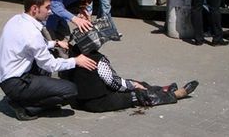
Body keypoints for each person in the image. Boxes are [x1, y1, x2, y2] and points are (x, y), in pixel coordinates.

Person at [0, 0, 97, 120]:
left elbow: (31, 46)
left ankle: (27, 97)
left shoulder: (17, 19)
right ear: (34, 9)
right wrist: (76, 61)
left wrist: (55, 43)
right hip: (16, 83)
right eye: (47, 7)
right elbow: (50, 65)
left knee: (46, 60)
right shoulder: (32, 33)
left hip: (6, 78)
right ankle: (27, 107)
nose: (50, 12)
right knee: (70, 90)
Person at [66, 45, 199, 112]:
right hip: (97, 101)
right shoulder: (98, 59)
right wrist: (132, 85)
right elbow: (114, 83)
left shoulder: (72, 51)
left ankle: (163, 89)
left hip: (81, 98)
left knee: (138, 83)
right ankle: (174, 95)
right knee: (136, 94)